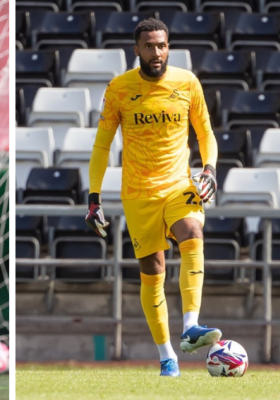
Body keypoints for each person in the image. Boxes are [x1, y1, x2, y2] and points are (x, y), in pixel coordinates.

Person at [85, 18, 221, 377]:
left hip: (180, 184)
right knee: (153, 270)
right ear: (137, 50)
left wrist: (209, 169)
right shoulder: (119, 88)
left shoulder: (187, 82)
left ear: (168, 46)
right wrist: (94, 197)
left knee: (193, 232)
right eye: (149, 46)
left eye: (162, 45)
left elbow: (205, 132)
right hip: (138, 192)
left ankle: (191, 326)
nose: (156, 52)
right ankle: (167, 357)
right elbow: (102, 146)